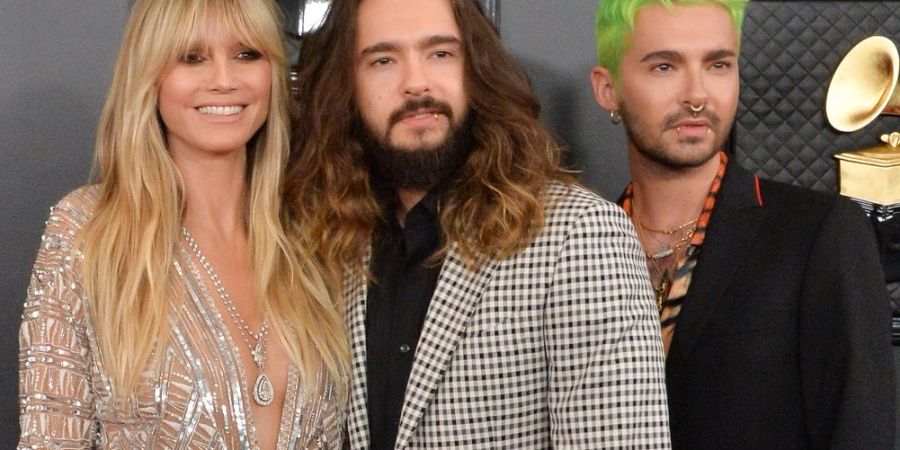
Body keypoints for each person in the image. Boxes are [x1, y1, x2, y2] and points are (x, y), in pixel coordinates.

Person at [287, 0, 672, 448]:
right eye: (383, 60)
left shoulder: (580, 236)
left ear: (477, 70)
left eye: (440, 53)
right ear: (346, 86)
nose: (416, 83)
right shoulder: (323, 242)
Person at [18, 0, 348, 447]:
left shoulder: (313, 235)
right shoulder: (86, 230)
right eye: (192, 58)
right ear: (150, 75)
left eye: (247, 54)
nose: (225, 80)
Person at [591, 1, 895, 448]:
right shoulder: (578, 250)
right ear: (607, 88)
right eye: (664, 67)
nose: (697, 94)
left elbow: (860, 430)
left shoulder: (820, 233)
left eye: (717, 65)